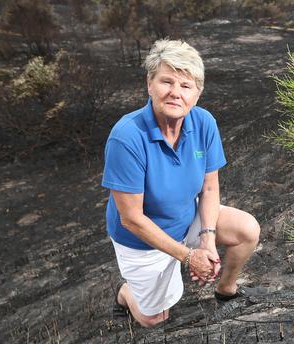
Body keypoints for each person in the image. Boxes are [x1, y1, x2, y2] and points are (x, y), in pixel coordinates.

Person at [102, 39, 260, 328]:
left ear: (197, 94)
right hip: (143, 240)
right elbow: (132, 219)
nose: (176, 93)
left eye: (186, 86)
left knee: (247, 230)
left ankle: (225, 290)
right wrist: (189, 257)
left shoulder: (203, 123)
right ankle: (126, 293)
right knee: (154, 319)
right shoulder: (127, 137)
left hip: (186, 219)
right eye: (167, 82)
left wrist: (207, 240)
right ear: (150, 84)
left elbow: (209, 188)